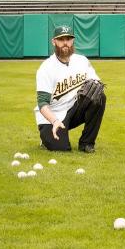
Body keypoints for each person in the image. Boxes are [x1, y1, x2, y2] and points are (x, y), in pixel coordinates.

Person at [34, 25, 106, 153]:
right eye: (61, 39)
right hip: (52, 115)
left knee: (98, 96)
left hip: (73, 110)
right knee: (61, 148)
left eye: (68, 39)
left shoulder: (82, 61)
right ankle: (45, 138)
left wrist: (96, 85)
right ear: (54, 42)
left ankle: (86, 143)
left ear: (73, 41)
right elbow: (42, 103)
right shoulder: (46, 68)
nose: (65, 43)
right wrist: (54, 121)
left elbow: (96, 83)